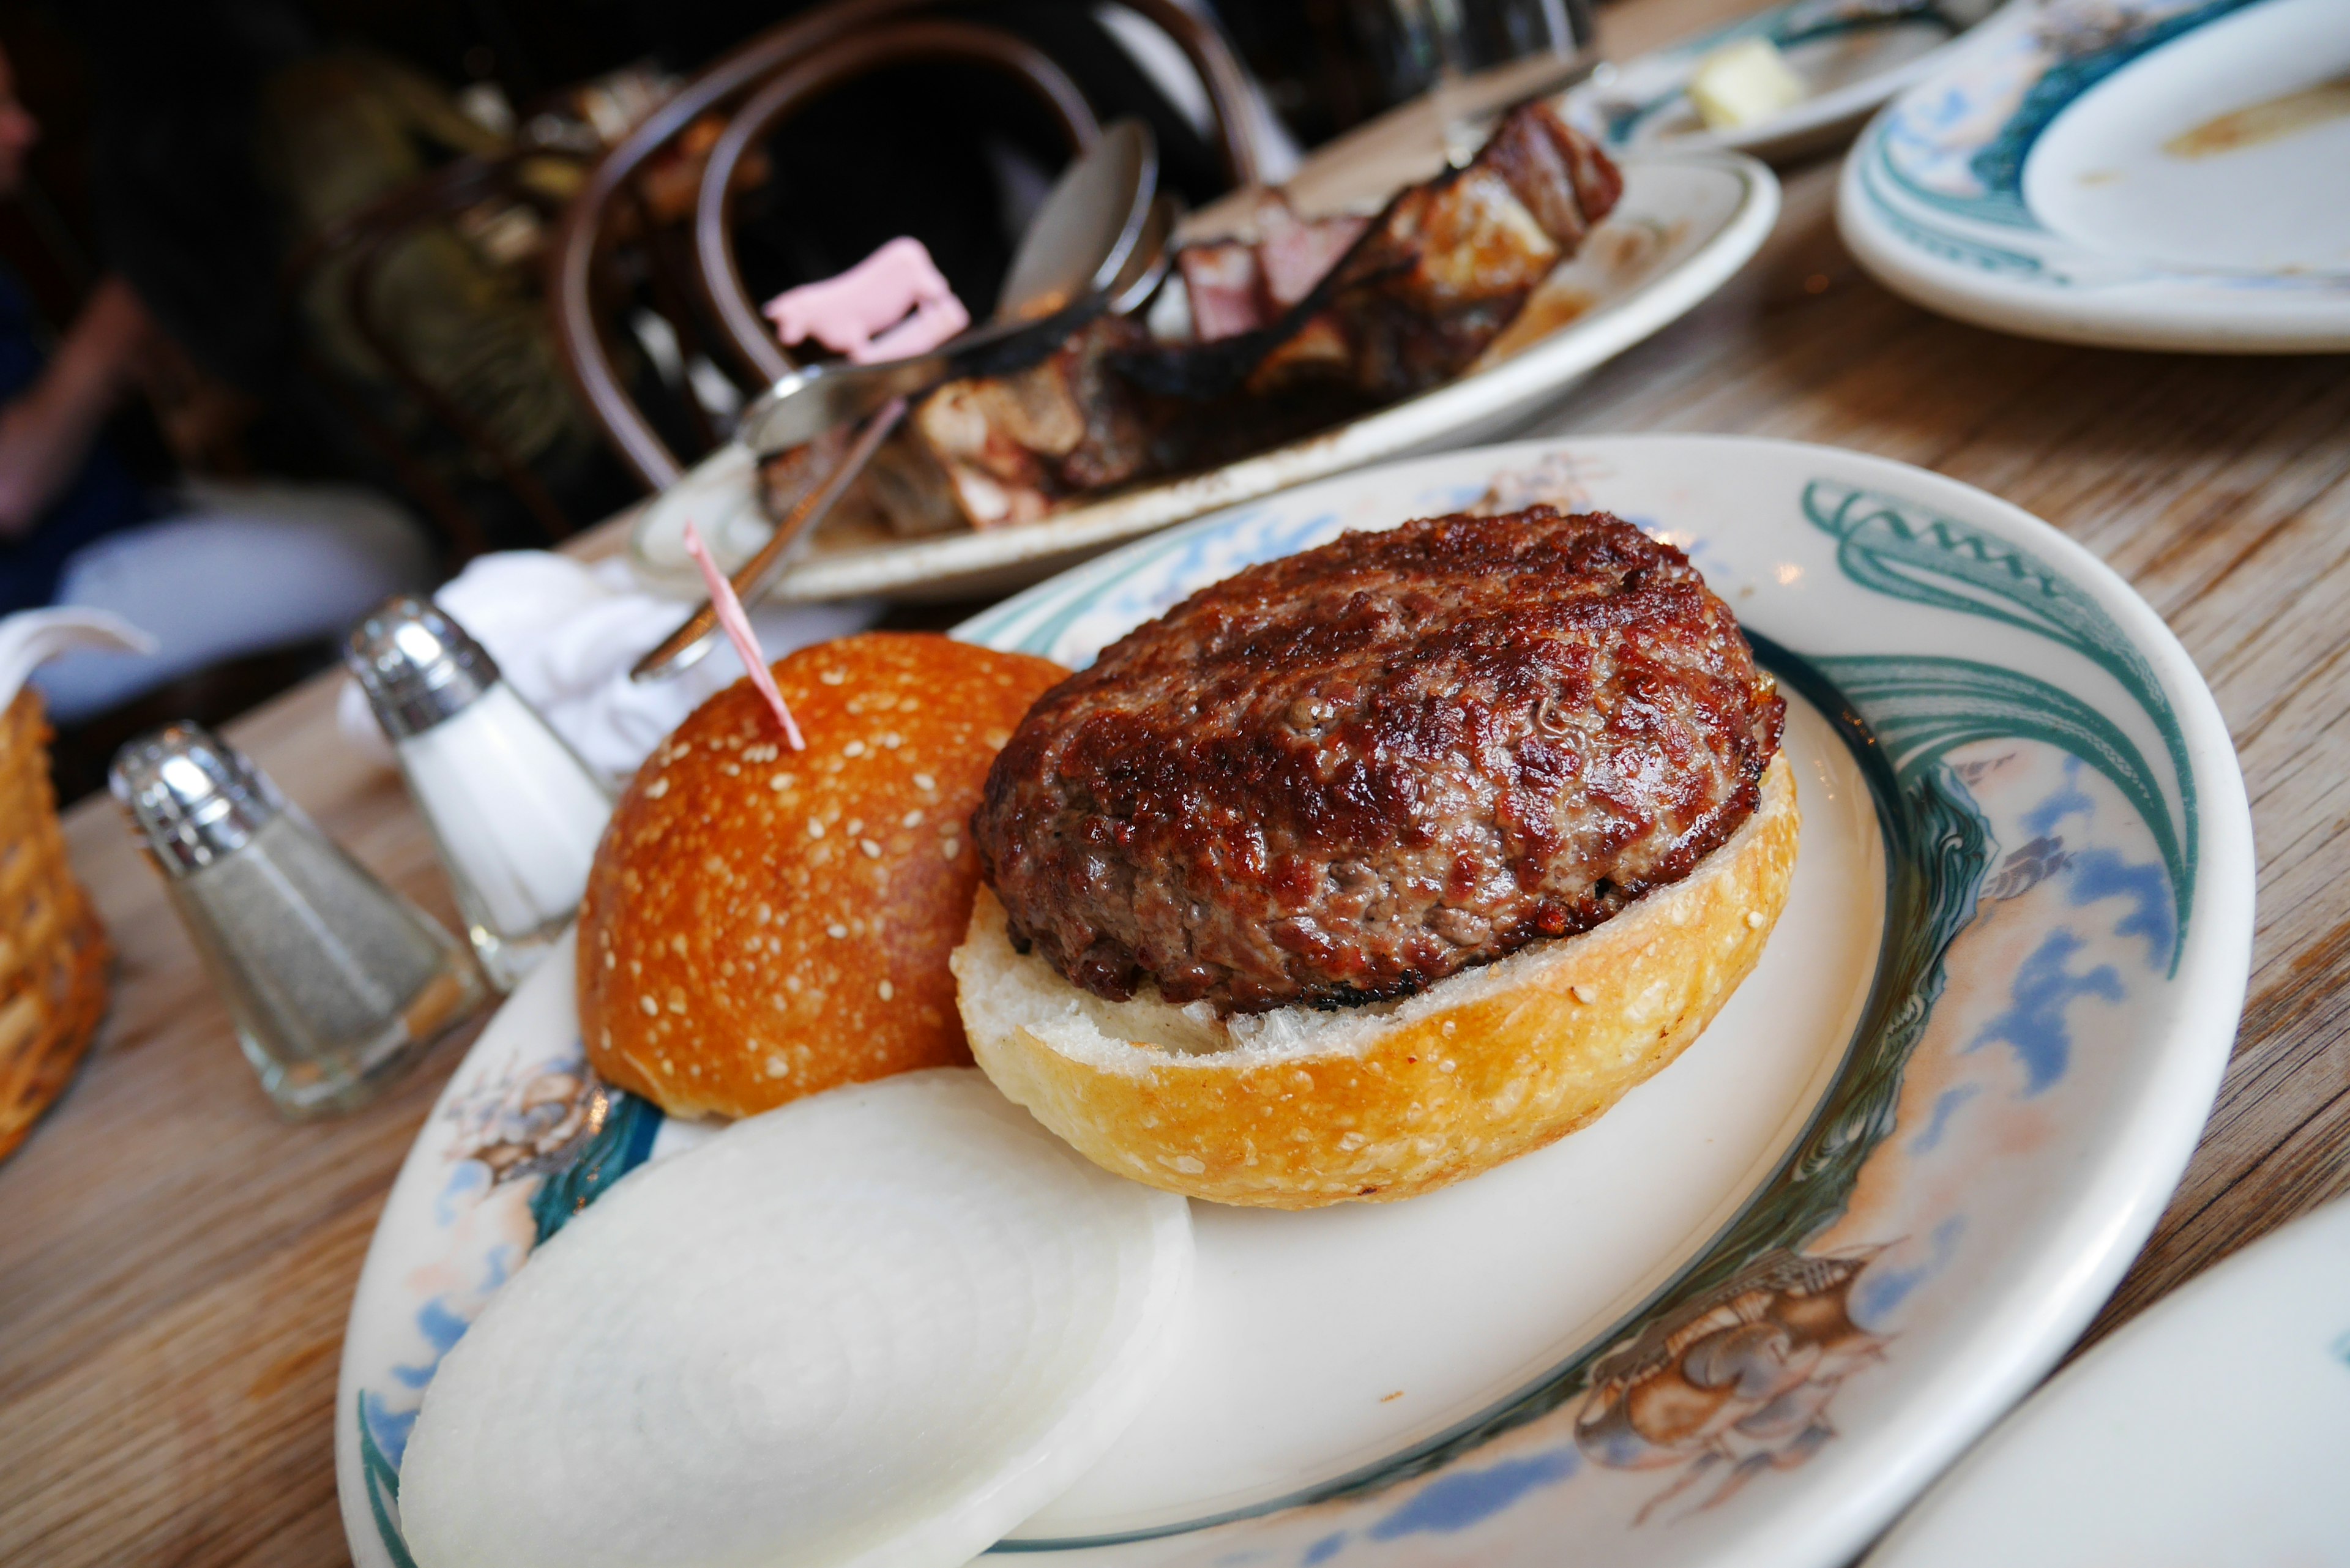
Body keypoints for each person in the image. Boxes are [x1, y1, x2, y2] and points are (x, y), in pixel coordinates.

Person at [0, 38, 431, 723]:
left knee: (385, 525)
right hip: (35, 613)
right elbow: (10, 490)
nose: (25, 127)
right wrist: (110, 331)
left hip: (118, 520)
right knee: (380, 551)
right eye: (0, 108)